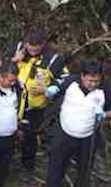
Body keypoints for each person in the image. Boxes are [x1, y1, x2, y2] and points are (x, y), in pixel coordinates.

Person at [43, 61, 111, 187]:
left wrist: (104, 115)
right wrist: (50, 91)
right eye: (90, 80)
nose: (93, 84)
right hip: (65, 132)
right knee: (56, 166)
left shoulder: (105, 89)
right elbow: (55, 91)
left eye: (96, 81)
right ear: (82, 76)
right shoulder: (71, 81)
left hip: (88, 137)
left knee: (84, 169)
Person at [7, 28, 67, 171]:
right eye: (30, 49)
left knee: (30, 136)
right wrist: (14, 60)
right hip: (12, 100)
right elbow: (3, 68)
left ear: (43, 45)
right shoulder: (18, 49)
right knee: (8, 131)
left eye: (36, 50)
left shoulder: (53, 59)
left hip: (35, 105)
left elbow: (64, 78)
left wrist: (48, 91)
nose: (32, 52)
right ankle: (6, 161)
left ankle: (27, 166)